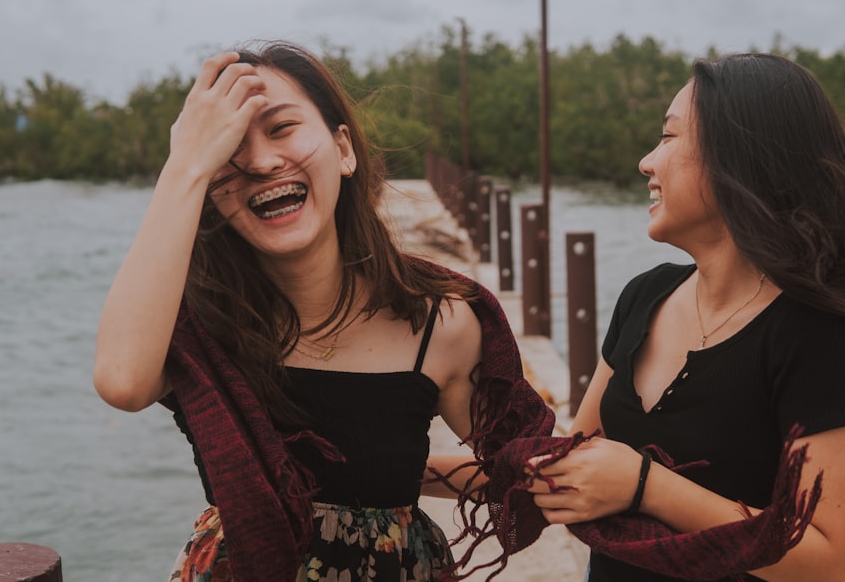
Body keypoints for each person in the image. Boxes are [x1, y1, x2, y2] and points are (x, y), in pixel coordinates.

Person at [92, 41, 554, 582]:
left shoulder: (441, 322)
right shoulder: (200, 324)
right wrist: (185, 166)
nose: (262, 162)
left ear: (343, 149)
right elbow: (123, 383)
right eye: (228, 148)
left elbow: (517, 471)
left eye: (282, 128)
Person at [526, 53, 845, 581]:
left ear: (736, 158)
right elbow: (574, 462)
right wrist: (414, 464)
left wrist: (649, 486)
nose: (647, 162)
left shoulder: (814, 334)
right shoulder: (644, 295)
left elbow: (836, 563)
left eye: (668, 138)